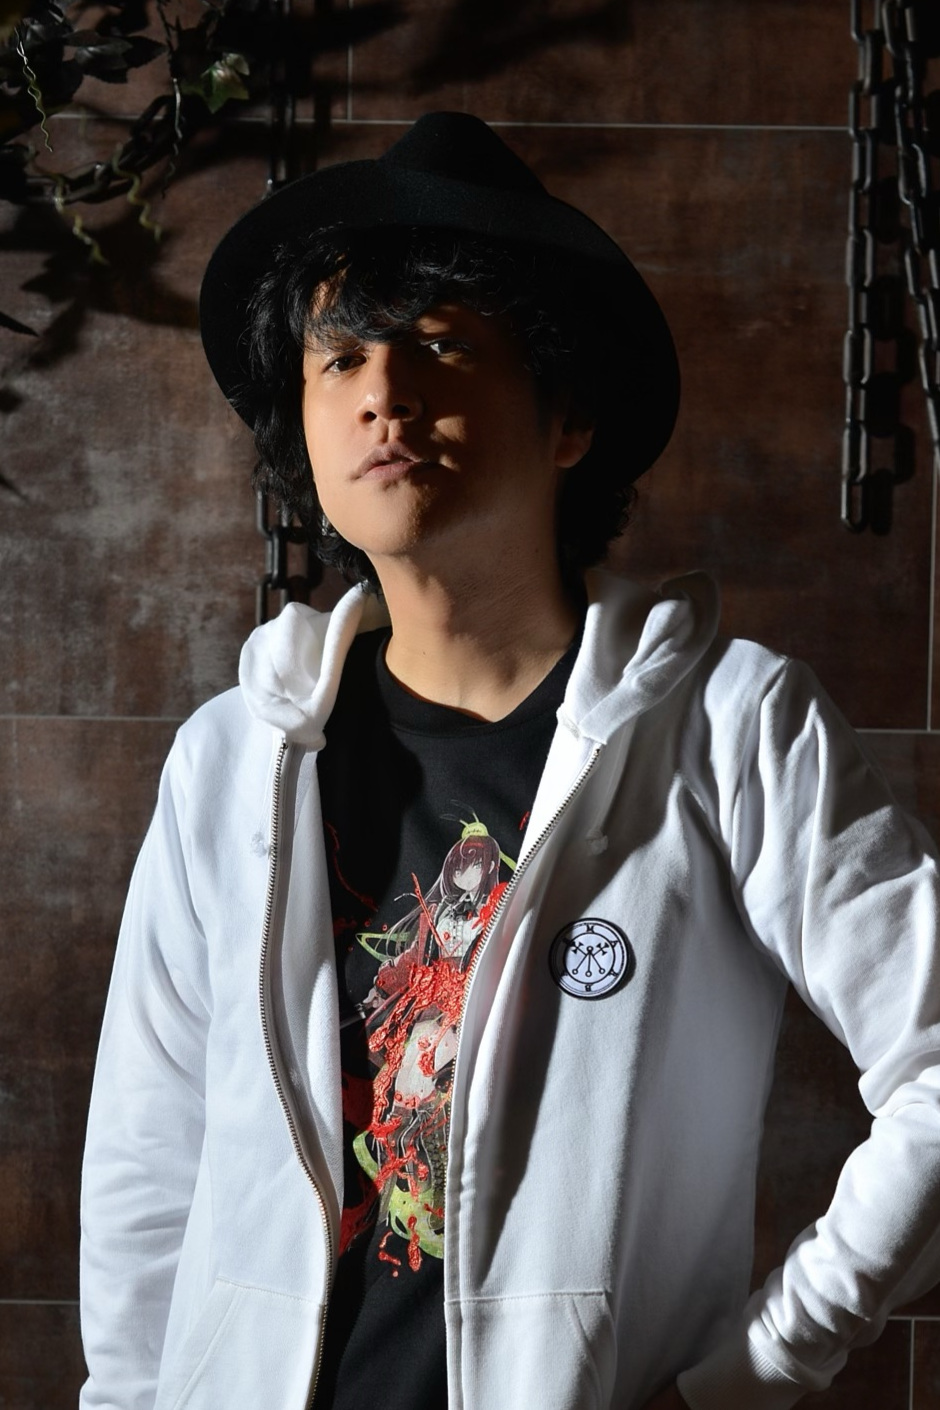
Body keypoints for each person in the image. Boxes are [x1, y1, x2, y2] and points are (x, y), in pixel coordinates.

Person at [79, 112, 940, 1410]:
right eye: (341, 357)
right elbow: (146, 1172)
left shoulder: (729, 729)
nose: (382, 392)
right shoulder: (231, 760)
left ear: (567, 417)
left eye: (441, 344)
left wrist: (749, 1376)